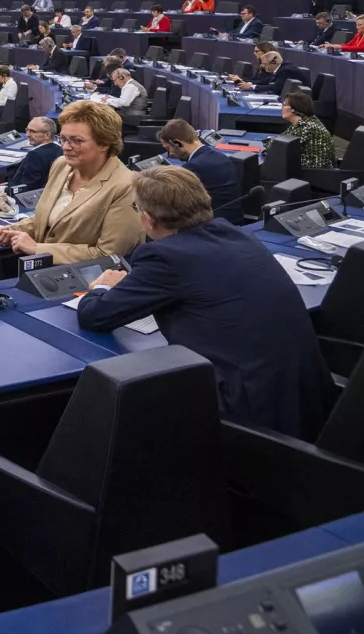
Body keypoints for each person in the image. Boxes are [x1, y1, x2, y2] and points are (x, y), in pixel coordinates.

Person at [76, 167, 331, 439]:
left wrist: (104, 285)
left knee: (114, 409)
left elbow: (94, 316)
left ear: (148, 220)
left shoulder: (164, 256)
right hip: (306, 400)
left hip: (247, 416)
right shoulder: (236, 233)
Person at [0, 101, 139, 264]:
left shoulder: (126, 186)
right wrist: (13, 230)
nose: (66, 147)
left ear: (104, 143)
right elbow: (44, 221)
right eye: (63, 139)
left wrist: (38, 249)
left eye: (76, 141)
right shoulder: (62, 165)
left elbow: (110, 255)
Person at [156, 119, 241, 215]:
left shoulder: (193, 168)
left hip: (214, 226)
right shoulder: (220, 156)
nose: (170, 154)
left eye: (168, 148)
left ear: (177, 143)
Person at [281, 90, 335, 169]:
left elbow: (280, 145)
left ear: (293, 109)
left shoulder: (308, 127)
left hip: (312, 174)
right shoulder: (308, 121)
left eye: (284, 105)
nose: (281, 108)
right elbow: (284, 138)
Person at [12, 116, 61, 191]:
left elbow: (28, 187)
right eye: (27, 130)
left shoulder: (35, 155)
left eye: (33, 131)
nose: (27, 135)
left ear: (47, 135)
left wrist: (3, 189)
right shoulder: (60, 149)